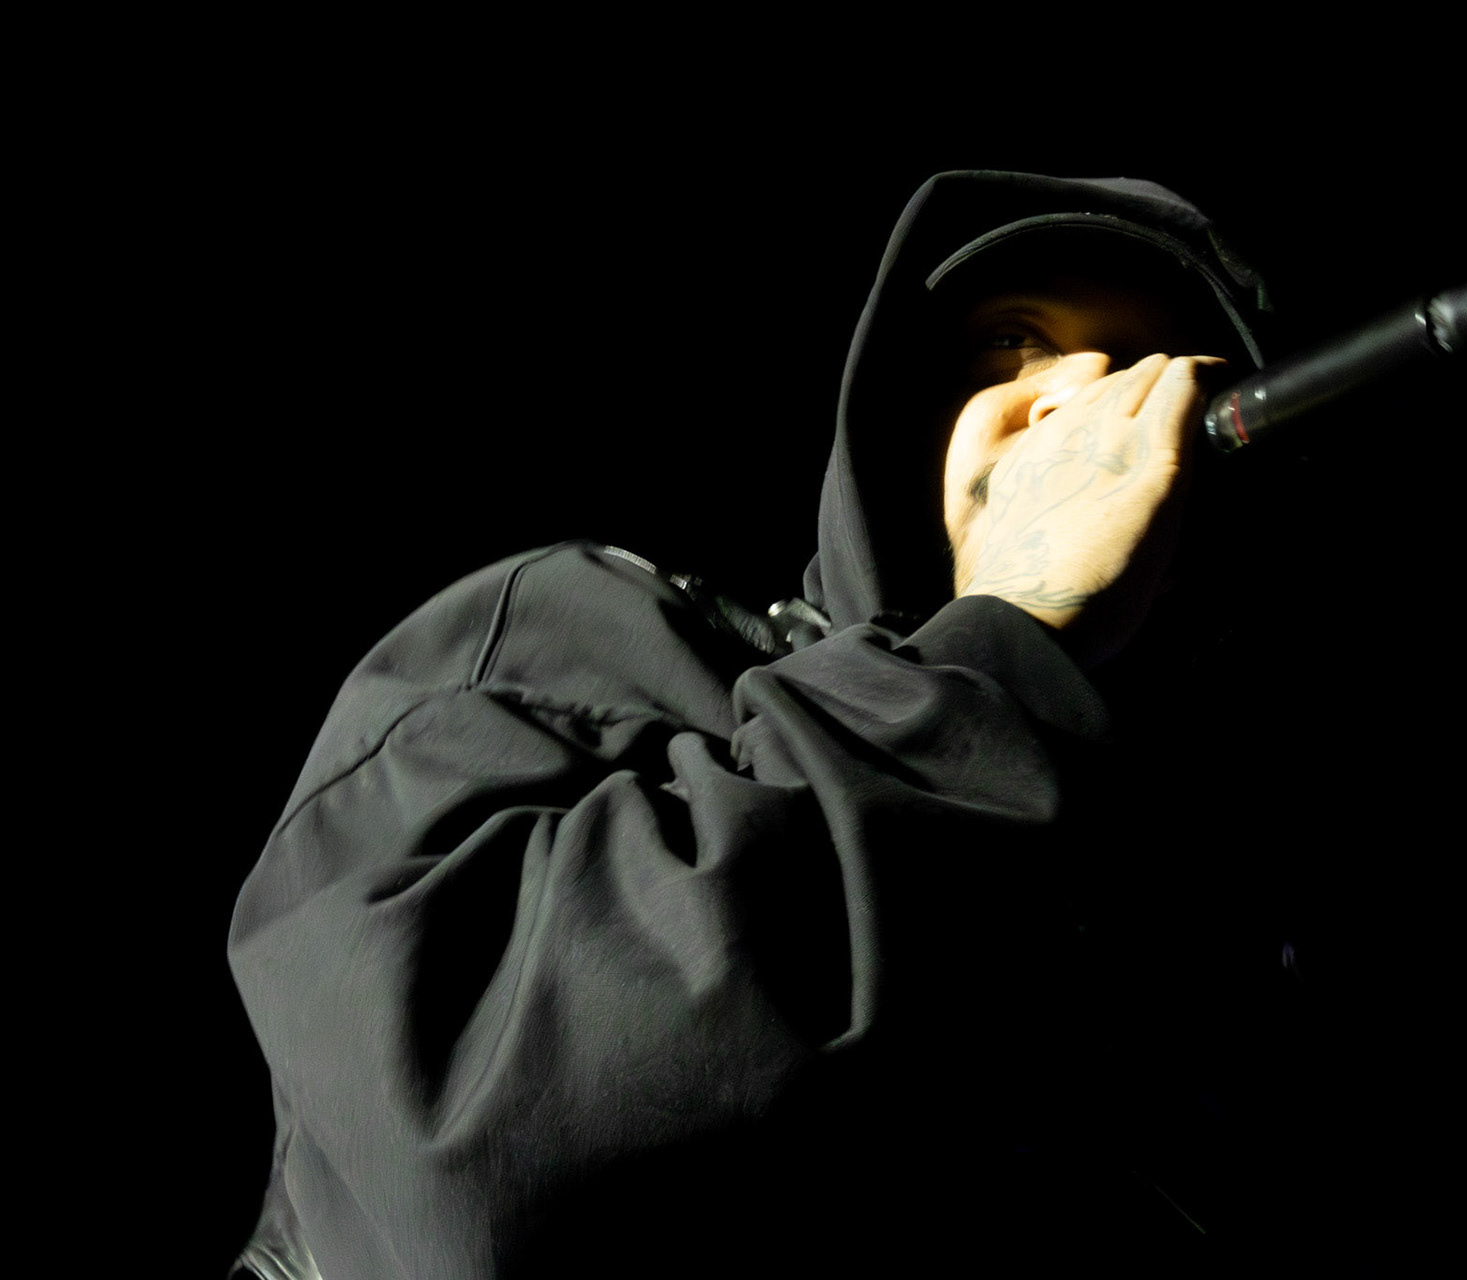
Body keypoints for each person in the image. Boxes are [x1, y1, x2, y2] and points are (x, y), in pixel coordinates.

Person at [226, 171, 1286, 1278]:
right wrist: (1005, 635)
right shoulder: (585, 641)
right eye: (1011, 341)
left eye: (1147, 368)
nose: (1086, 398)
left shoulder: (1209, 915)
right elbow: (470, 1162)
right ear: (895, 413)